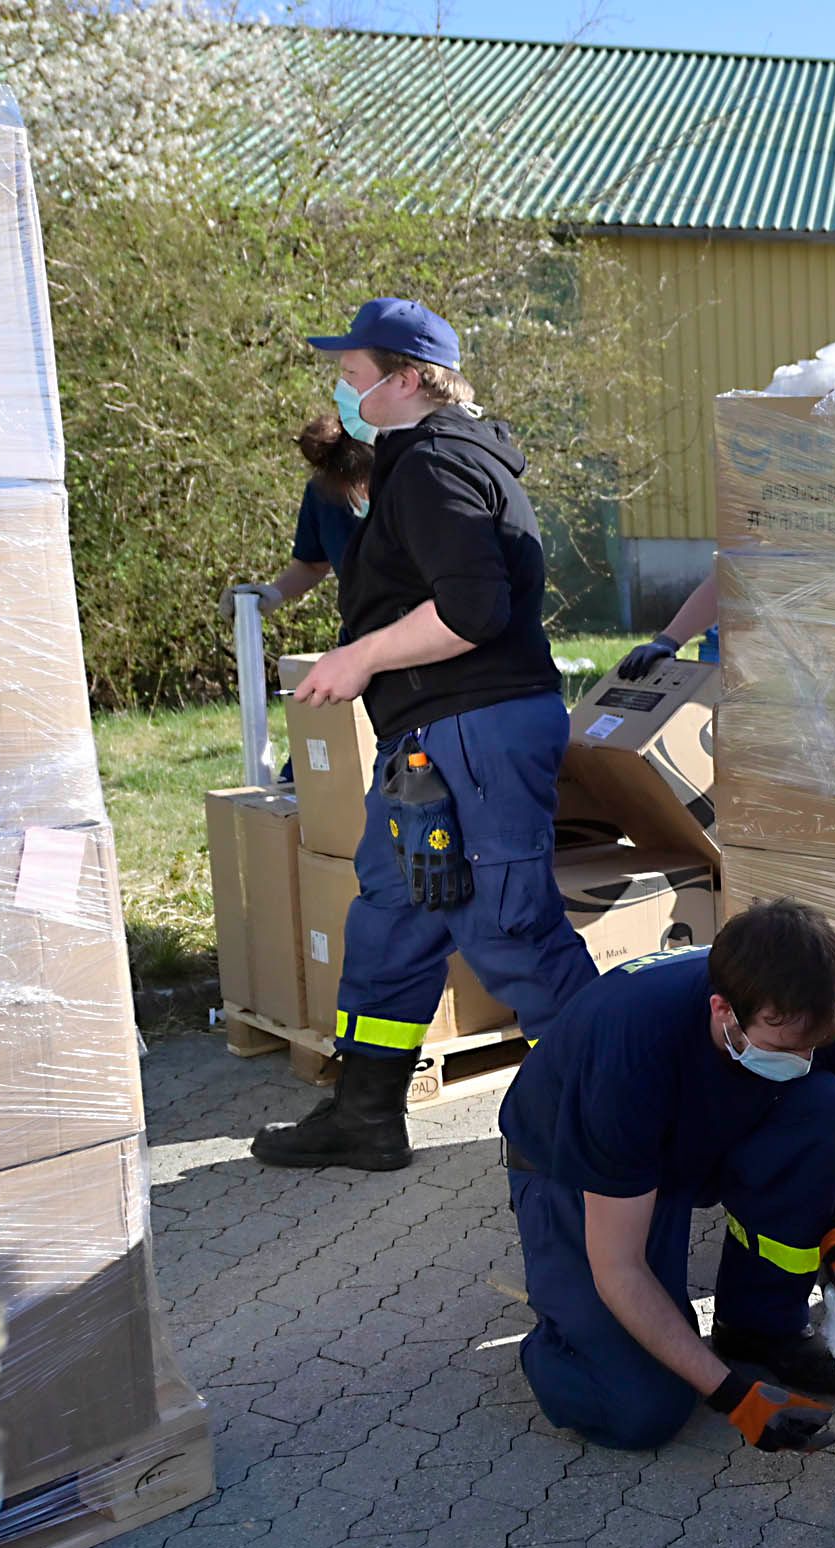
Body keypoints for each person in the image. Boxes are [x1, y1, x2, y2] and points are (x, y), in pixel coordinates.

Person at [252, 297, 598, 1172]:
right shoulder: (416, 462)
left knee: (509, 930)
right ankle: (365, 1112)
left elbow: (473, 611)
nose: (344, 386)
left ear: (409, 379)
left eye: (357, 371)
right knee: (393, 918)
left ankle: (615, 1117)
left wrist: (363, 654)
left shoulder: (438, 465)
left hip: (472, 733)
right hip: (434, 743)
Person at [496, 899, 835, 1452]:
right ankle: (563, 1338)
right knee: (640, 1410)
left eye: (812, 1046)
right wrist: (732, 1396)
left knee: (825, 1110)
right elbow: (619, 1268)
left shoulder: (815, 1011)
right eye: (782, 1047)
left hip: (693, 1132)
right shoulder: (631, 1054)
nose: (801, 1059)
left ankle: (759, 1326)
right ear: (722, 1010)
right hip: (574, 1164)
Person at [220, 412, 374, 628]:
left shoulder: (406, 481)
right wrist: (275, 592)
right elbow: (312, 565)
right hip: (360, 636)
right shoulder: (321, 494)